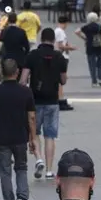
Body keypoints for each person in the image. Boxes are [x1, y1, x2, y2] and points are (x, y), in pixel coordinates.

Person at [0, 58, 36, 200]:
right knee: (21, 168)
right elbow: (32, 117)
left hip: (2, 138)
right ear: (17, 72)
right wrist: (32, 138)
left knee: (5, 172)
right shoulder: (26, 91)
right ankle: (22, 198)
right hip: (20, 137)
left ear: (2, 72)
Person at [20, 28, 68, 180]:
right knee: (50, 136)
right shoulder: (59, 56)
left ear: (41, 39)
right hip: (52, 102)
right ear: (53, 40)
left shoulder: (32, 55)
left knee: (34, 133)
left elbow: (23, 80)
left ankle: (38, 158)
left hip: (35, 101)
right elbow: (63, 80)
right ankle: (48, 170)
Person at [75, 12, 101, 87]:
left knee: (92, 64)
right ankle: (100, 79)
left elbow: (77, 31)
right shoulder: (100, 27)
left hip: (90, 46)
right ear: (96, 18)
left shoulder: (86, 27)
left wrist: (84, 38)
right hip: (99, 46)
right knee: (100, 64)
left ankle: (94, 81)